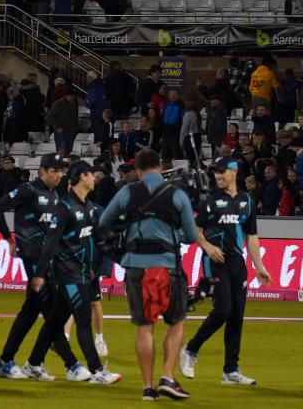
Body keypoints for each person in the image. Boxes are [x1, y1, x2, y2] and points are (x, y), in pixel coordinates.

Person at [98, 148, 198, 401]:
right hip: (167, 266)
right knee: (176, 322)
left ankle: (147, 387)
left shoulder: (128, 191)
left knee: (145, 326)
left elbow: (104, 222)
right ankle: (167, 376)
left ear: (139, 171)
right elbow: (192, 236)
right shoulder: (176, 194)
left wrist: (128, 225)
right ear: (160, 168)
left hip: (135, 266)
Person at [25, 161, 122, 384]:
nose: (95, 179)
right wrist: (39, 274)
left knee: (54, 321)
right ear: (81, 177)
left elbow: (99, 242)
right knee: (83, 319)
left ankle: (33, 362)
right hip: (66, 273)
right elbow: (50, 243)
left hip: (80, 271)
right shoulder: (64, 208)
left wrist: (122, 256)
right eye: (91, 175)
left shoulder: (88, 207)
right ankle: (97, 370)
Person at [180, 156, 272, 386]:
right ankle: (190, 350)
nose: (218, 176)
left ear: (234, 172)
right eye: (215, 173)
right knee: (223, 310)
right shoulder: (209, 200)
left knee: (236, 316)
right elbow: (194, 230)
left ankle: (231, 370)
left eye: (221, 172)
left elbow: (251, 236)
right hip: (215, 261)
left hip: (237, 264)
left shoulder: (247, 200)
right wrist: (208, 247)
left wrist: (259, 266)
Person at [0, 153, 69, 379]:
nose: (59, 175)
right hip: (32, 258)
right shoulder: (27, 190)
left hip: (46, 258)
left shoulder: (54, 194)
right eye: (54, 170)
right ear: (42, 171)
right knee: (52, 312)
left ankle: (6, 361)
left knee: (31, 312)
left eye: (60, 171)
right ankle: (72, 364)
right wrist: (8, 238)